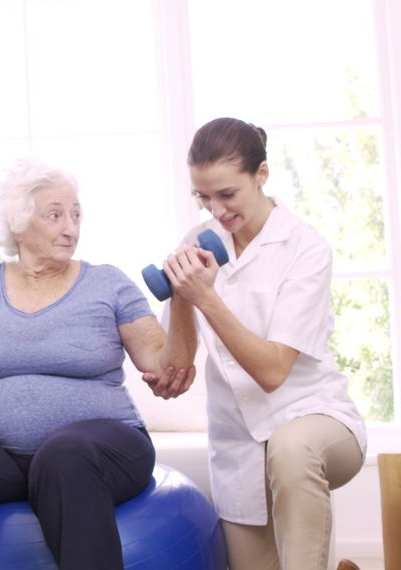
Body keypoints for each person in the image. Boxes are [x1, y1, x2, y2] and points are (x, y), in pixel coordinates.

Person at [0, 157, 196, 569]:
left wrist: (185, 298)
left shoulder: (108, 283)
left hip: (104, 449)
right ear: (19, 224)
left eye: (76, 215)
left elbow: (166, 367)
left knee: (63, 455)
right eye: (55, 215)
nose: (71, 228)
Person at [157, 117, 367, 569]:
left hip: (315, 421)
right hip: (239, 454)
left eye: (227, 194)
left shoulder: (305, 249)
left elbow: (273, 372)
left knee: (292, 449)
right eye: (203, 197)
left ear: (262, 175)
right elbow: (173, 374)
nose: (216, 210)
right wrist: (180, 298)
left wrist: (206, 299)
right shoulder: (197, 244)